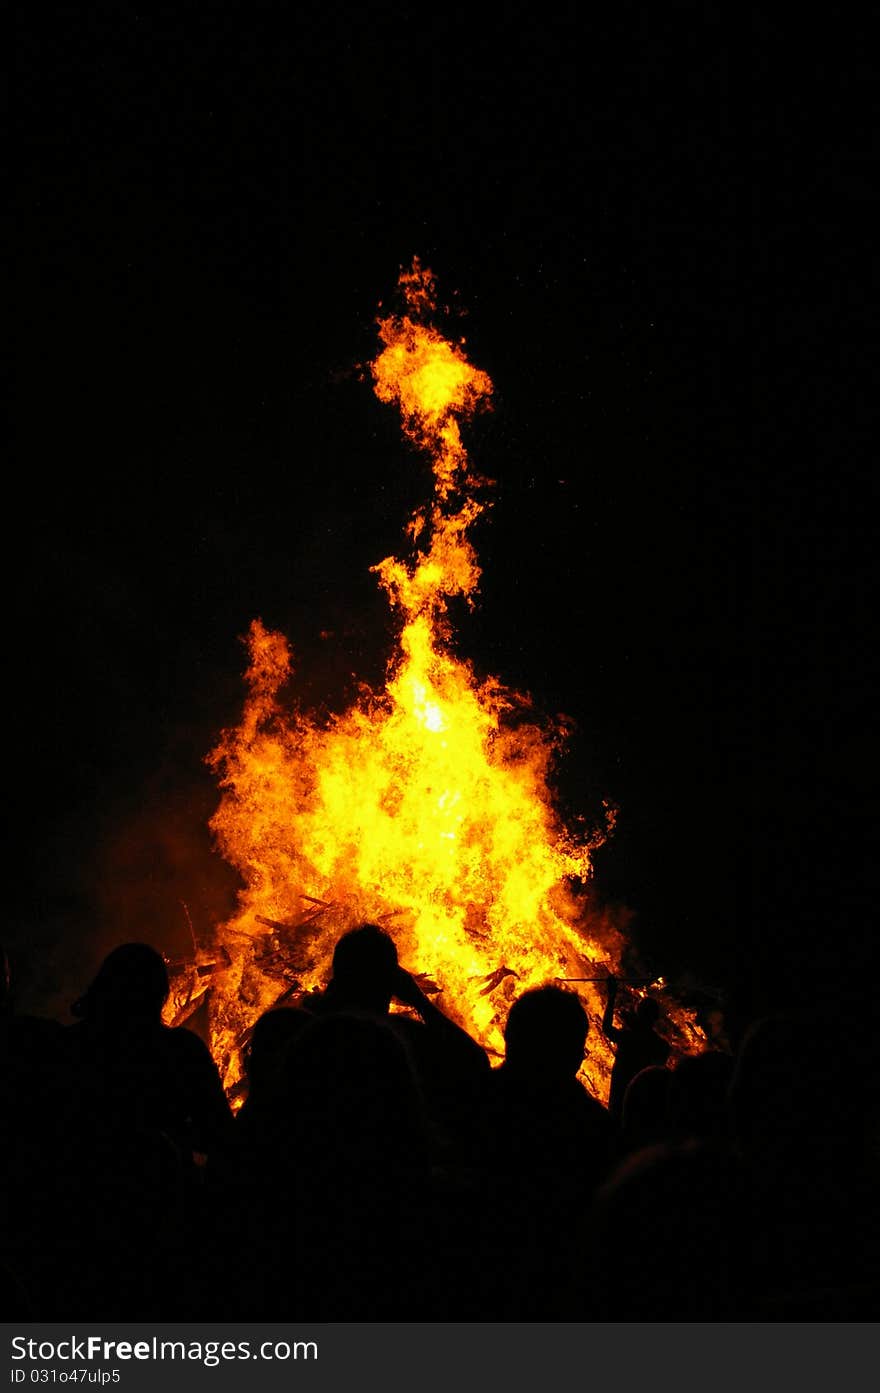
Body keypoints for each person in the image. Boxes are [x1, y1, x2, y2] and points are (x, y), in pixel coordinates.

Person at [602, 974, 670, 1120]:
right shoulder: (662, 1047)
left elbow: (606, 1028)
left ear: (638, 1014)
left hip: (619, 1103)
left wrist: (612, 996)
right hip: (642, 1108)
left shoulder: (628, 1038)